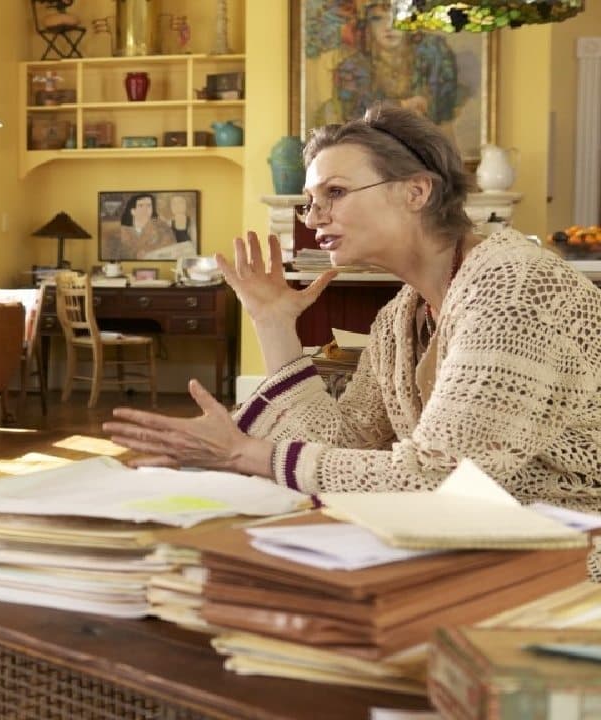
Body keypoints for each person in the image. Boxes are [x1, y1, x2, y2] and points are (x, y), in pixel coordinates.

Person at [103, 104, 601, 513]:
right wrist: (274, 324)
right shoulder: (399, 318)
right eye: (310, 201)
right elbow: (345, 441)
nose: (313, 218)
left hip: (572, 545)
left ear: (416, 191)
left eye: (335, 193)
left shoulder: (515, 291)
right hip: (490, 532)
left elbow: (439, 478)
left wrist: (243, 453)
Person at [319, 1, 462, 137]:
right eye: (378, 19)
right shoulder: (352, 68)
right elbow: (354, 117)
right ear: (367, 25)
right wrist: (402, 105)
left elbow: (444, 106)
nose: (388, 26)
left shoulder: (432, 56)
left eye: (398, 16)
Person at [103, 193, 177, 261]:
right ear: (133, 211)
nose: (145, 209)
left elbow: (171, 251)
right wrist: (134, 254)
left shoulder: (162, 229)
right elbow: (114, 256)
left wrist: (149, 252)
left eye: (149, 205)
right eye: (141, 205)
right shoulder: (118, 234)